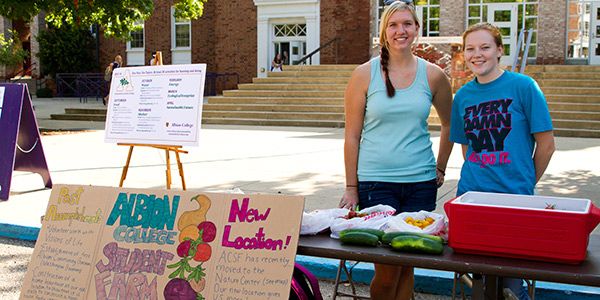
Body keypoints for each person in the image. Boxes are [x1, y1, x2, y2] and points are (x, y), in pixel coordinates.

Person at [339, 1, 453, 299]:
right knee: (387, 270)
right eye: (393, 25)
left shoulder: (434, 75)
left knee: (409, 264)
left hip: (420, 183)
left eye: (407, 24)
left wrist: (440, 168)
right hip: (376, 182)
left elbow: (450, 125)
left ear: (417, 29)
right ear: (384, 32)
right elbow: (351, 136)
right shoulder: (364, 74)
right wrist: (352, 187)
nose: (400, 30)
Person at [450, 22, 555, 300]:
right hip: (472, 199)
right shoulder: (462, 96)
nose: (477, 54)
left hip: (514, 199)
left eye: (485, 47)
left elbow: (546, 145)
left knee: (511, 286)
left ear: (499, 50)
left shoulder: (523, 87)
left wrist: (525, 180)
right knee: (479, 283)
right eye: (470, 49)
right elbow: (466, 148)